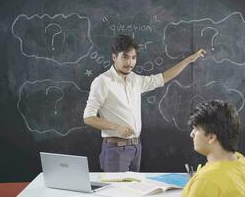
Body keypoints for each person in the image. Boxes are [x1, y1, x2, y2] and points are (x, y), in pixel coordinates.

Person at [83, 34, 206, 172]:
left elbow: (163, 78)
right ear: (114, 57)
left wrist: (189, 60)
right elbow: (88, 117)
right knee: (117, 192)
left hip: (136, 147)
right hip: (115, 149)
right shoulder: (102, 82)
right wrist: (116, 127)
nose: (130, 62)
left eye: (133, 58)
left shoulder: (135, 80)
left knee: (134, 192)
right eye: (125, 57)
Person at [182, 100, 245, 197]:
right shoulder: (241, 161)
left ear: (211, 137)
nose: (192, 134)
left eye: (196, 129)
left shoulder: (206, 181)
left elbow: (209, 181)